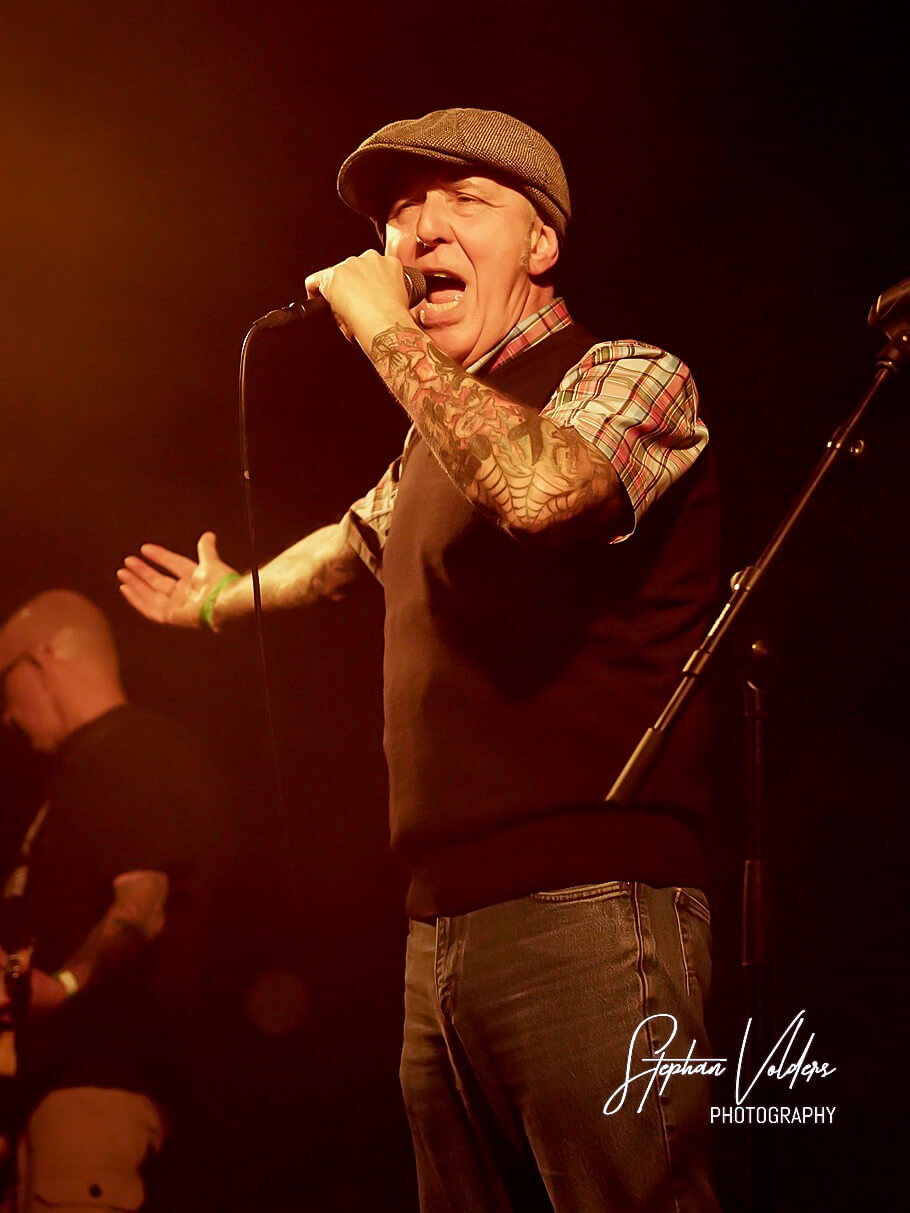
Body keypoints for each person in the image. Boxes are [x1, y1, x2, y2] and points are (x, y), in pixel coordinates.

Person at [119, 107, 722, 1211]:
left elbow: (540, 491)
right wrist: (219, 601)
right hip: (440, 921)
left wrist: (385, 337)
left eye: (464, 201)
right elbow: (347, 548)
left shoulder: (627, 372)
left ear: (542, 243)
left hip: (593, 903)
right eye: (401, 211)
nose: (420, 230)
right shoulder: (435, 439)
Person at [0, 590, 225, 1212]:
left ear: (41, 661)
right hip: (52, 1100)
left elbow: (142, 907)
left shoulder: (134, 752)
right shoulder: (82, 771)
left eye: (4, 687)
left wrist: (64, 985)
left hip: (98, 1094)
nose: (7, 716)